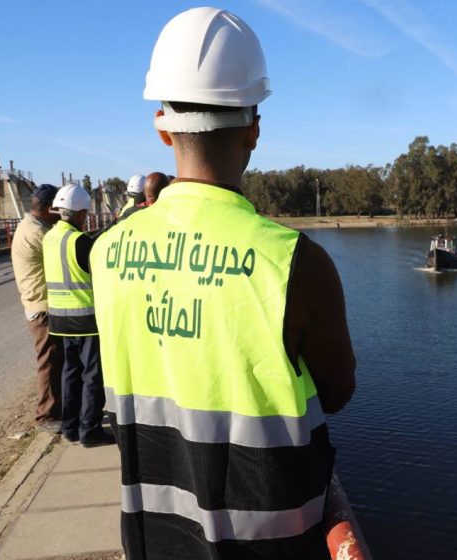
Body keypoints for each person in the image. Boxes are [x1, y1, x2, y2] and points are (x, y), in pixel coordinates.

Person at [91, 7, 356, 558]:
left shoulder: (108, 251)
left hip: (156, 537)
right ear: (255, 127)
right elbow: (337, 392)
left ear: (161, 126)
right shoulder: (296, 263)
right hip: (275, 540)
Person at [43, 184, 115, 448]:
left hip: (59, 320)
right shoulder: (79, 241)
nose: (86, 218)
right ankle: (90, 429)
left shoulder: (49, 237)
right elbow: (96, 273)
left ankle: (70, 427)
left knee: (69, 373)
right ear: (78, 213)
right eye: (84, 213)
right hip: (84, 318)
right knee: (92, 376)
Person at [11, 184, 64, 433]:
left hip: (38, 304)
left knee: (54, 360)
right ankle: (46, 415)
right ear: (49, 208)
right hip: (42, 307)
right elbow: (65, 255)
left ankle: (57, 408)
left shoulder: (33, 226)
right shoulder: (38, 234)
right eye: (59, 209)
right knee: (49, 361)